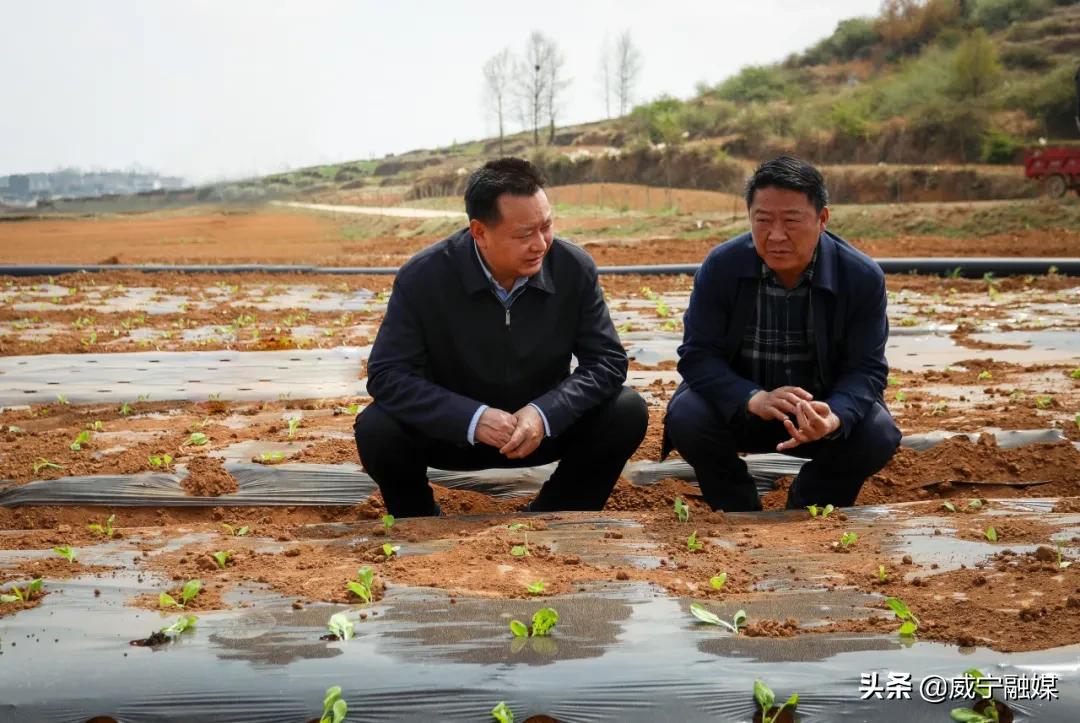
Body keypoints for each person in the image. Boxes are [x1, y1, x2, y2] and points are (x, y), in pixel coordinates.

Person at [354, 157, 647, 517]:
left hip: (540, 430)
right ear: (479, 232)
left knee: (626, 410)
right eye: (524, 234)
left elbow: (607, 361)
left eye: (547, 226)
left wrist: (544, 413)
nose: (540, 244)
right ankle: (419, 521)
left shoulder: (573, 268)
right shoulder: (424, 277)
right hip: (453, 434)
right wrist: (473, 419)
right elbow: (387, 374)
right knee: (377, 429)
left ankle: (557, 512)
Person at [663, 156, 901, 512]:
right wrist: (753, 397)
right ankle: (736, 505)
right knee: (686, 416)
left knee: (878, 433)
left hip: (818, 414)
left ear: (822, 219)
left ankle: (811, 501)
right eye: (763, 220)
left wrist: (833, 415)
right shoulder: (722, 267)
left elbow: (866, 370)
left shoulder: (860, 276)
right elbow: (698, 357)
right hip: (745, 408)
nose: (775, 235)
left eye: (791, 221)